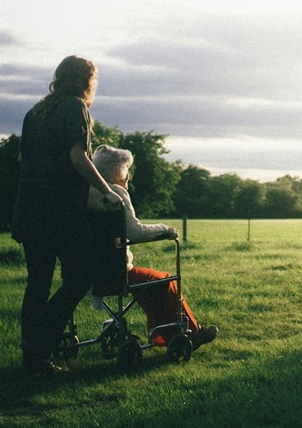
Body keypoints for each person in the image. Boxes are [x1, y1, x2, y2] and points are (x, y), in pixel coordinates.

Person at [12, 56, 122, 376]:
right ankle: (39, 345)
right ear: (86, 80)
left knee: (38, 283)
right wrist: (107, 191)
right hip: (58, 211)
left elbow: (24, 159)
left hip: (29, 208)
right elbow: (79, 158)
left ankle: (32, 357)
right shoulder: (75, 108)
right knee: (79, 278)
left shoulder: (35, 112)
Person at [87, 145, 218, 350]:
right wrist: (165, 229)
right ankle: (191, 333)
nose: (129, 176)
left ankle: (164, 336)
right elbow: (136, 232)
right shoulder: (116, 193)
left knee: (151, 283)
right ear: (115, 172)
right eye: (126, 170)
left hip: (88, 272)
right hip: (115, 273)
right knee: (165, 280)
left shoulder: (87, 192)